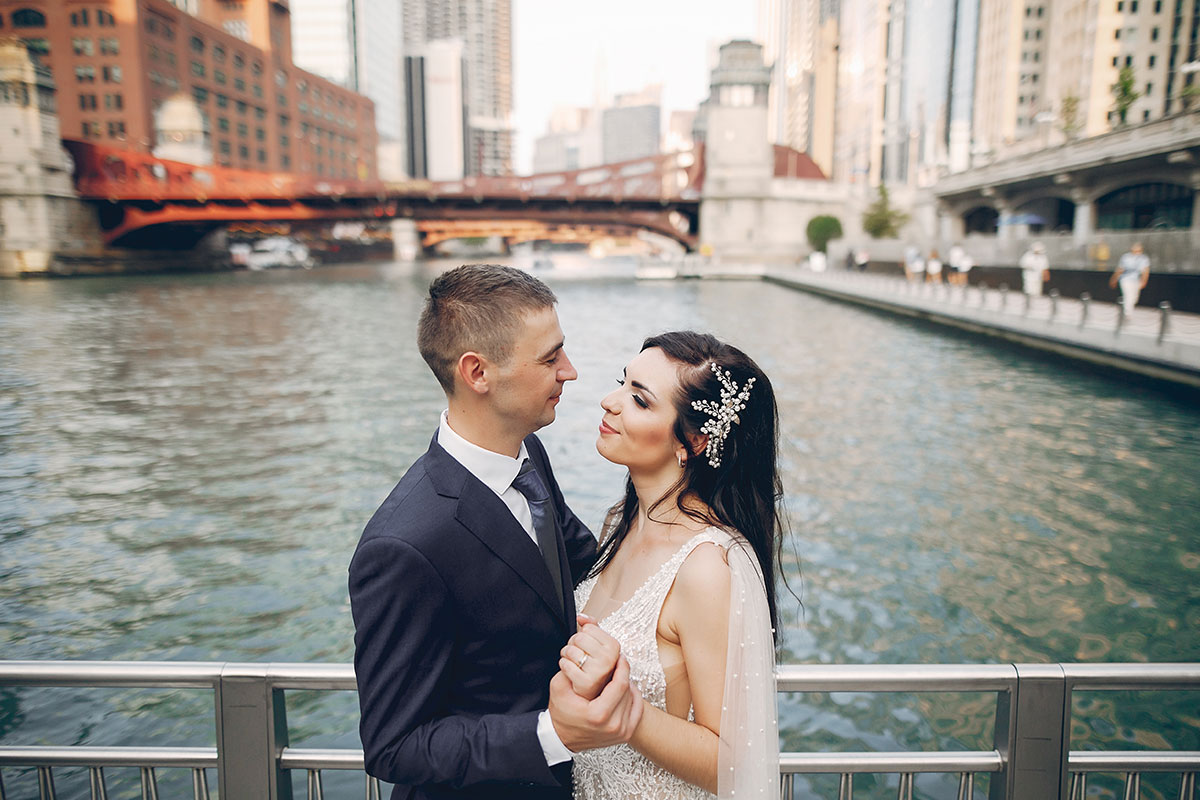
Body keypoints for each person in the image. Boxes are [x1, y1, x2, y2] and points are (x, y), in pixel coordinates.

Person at [349, 264, 642, 800]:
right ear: (477, 373)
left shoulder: (529, 453)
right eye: (551, 357)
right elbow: (393, 745)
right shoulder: (404, 547)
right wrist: (554, 734)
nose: (570, 372)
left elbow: (583, 562)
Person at [563, 331, 782, 800]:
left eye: (639, 400)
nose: (609, 402)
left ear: (695, 440)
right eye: (622, 383)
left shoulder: (707, 567)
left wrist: (627, 713)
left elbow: (733, 763)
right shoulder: (619, 524)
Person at [1110, 242, 1150, 315]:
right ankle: (1127, 313)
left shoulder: (1144, 259)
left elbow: (1145, 271)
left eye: (1138, 250)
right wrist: (1114, 279)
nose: (1137, 252)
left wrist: (1144, 281)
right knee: (1128, 295)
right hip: (1125, 279)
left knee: (1134, 297)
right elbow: (1119, 269)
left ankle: (1124, 307)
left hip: (1136, 280)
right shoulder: (1126, 257)